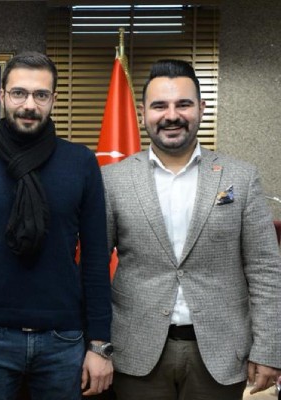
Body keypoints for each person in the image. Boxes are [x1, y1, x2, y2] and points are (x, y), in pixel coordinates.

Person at [103, 59, 281, 399]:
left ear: (201, 108)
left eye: (183, 104)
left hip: (221, 352)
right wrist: (97, 345)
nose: (172, 115)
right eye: (159, 106)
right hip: (136, 351)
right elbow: (94, 269)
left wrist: (269, 348)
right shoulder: (113, 180)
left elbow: (265, 269)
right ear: (143, 113)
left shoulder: (241, 177)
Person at [0, 52, 113, 399]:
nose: (29, 104)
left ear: (53, 99)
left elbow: (96, 260)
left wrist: (99, 344)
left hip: (63, 338)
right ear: (2, 96)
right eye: (19, 93)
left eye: (40, 95)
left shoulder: (81, 162)